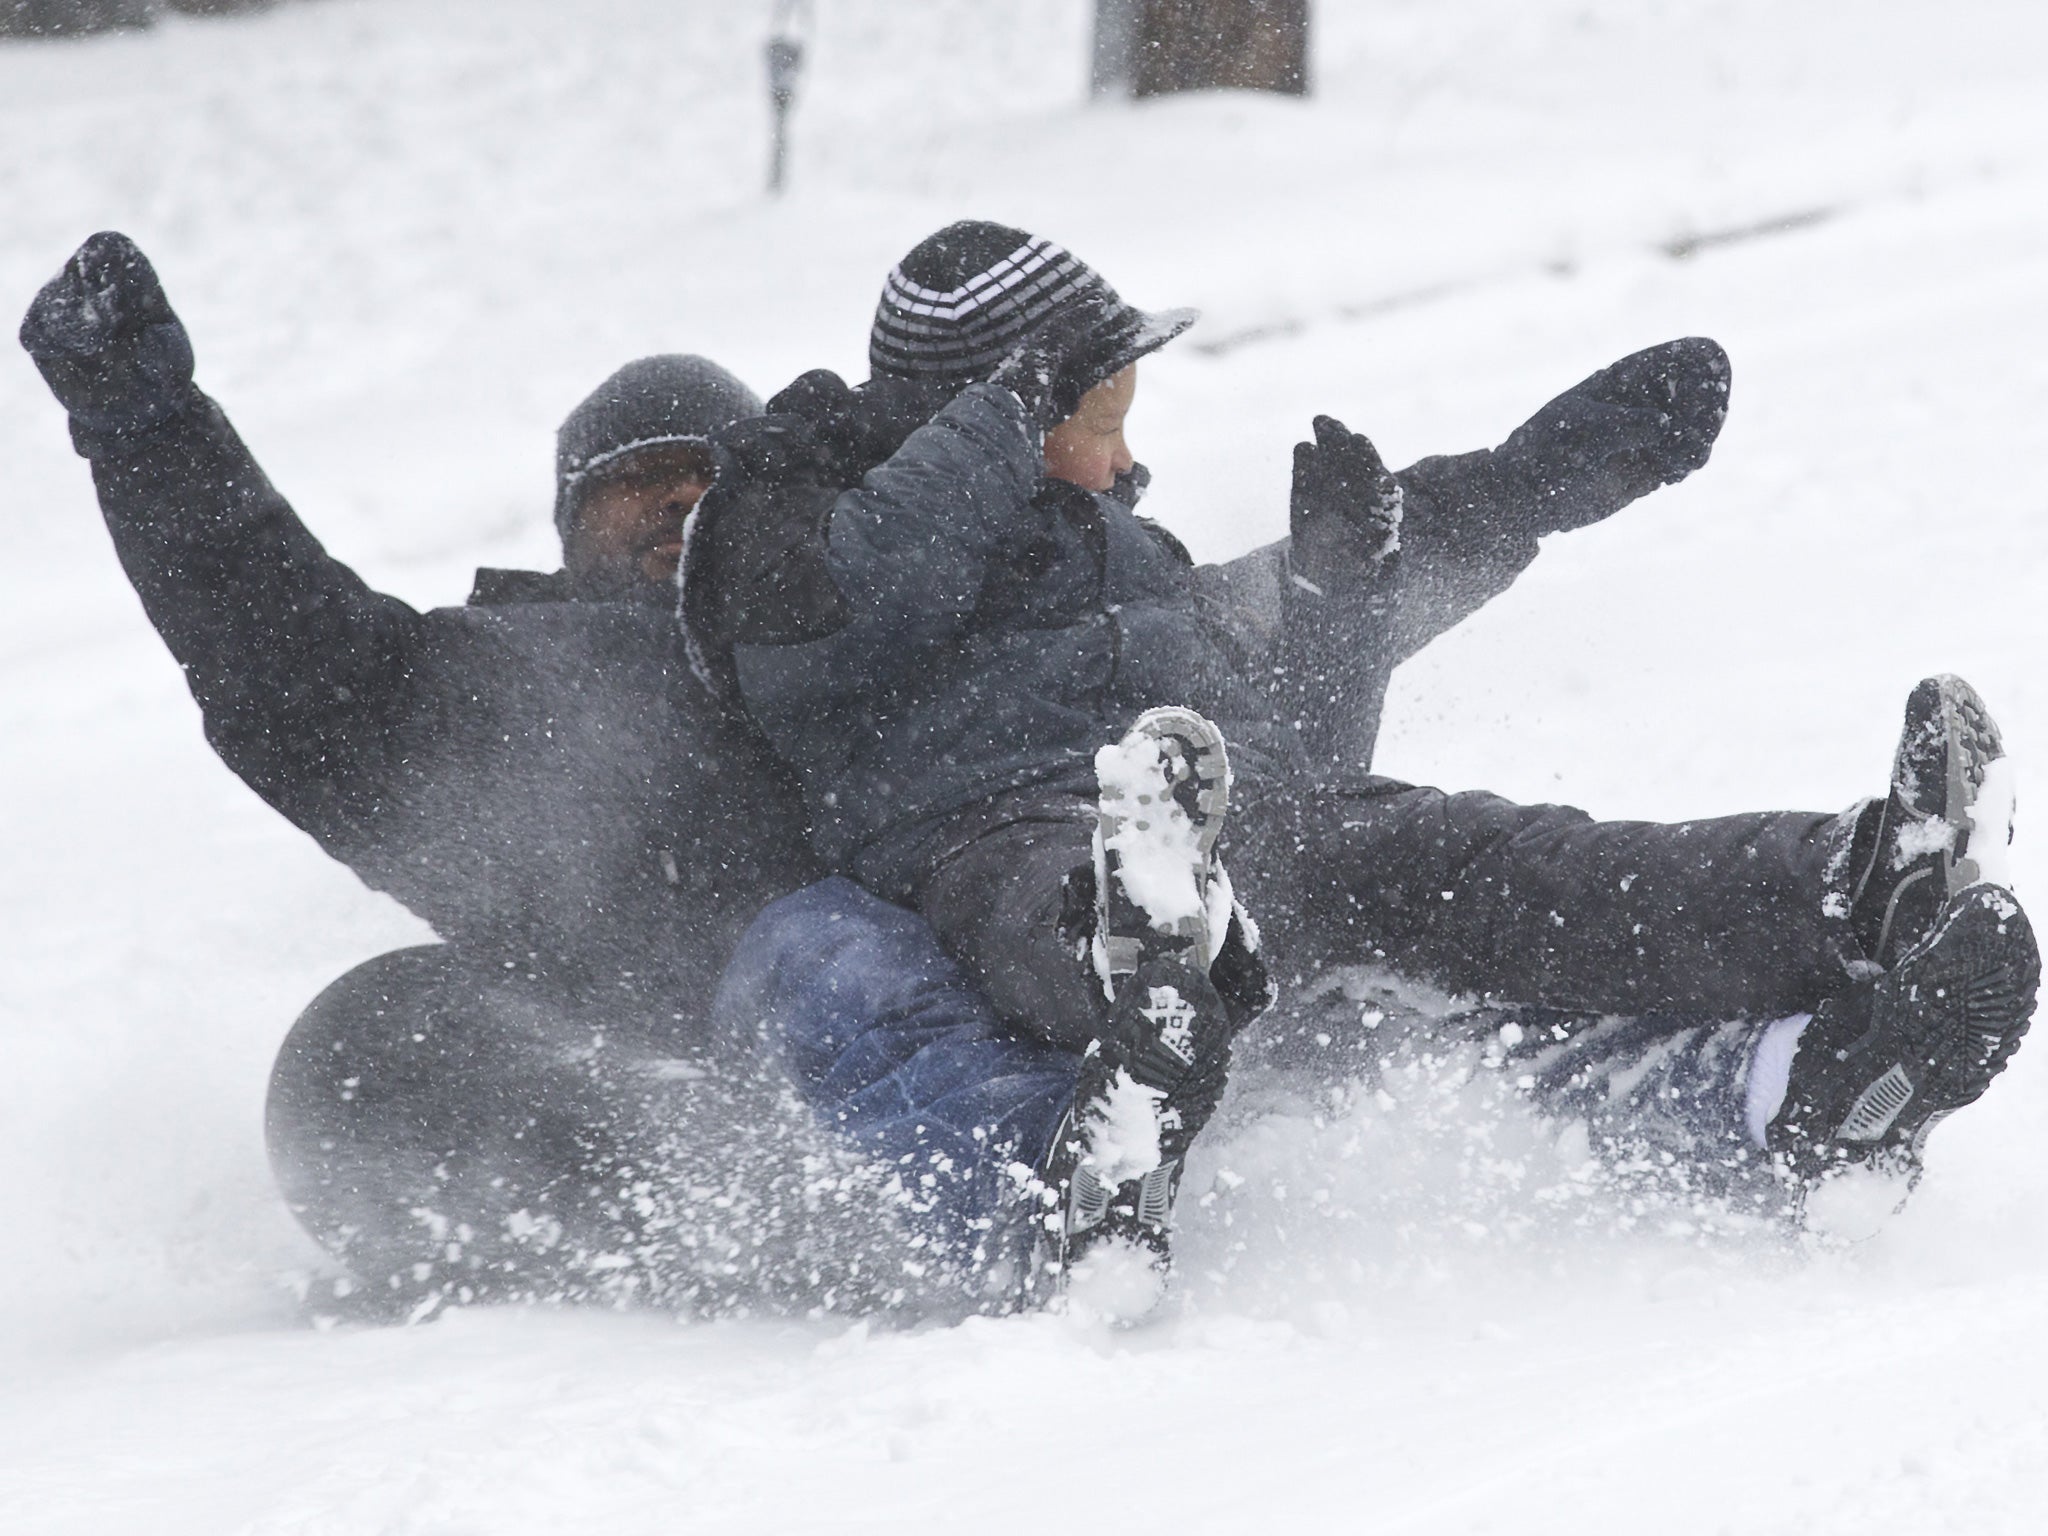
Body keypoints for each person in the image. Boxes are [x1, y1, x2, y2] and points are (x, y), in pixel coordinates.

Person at [9, 228, 1744, 1314]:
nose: (683, 512)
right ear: (569, 527)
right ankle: (928, 1206)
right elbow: (286, 661)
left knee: (1311, 953)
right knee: (381, 1038)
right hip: (723, 1051)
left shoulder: (878, 626)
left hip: (1031, 950)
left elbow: (1234, 629)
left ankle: (1706, 1096)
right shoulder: (507, 695)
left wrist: (1518, 489)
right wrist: (147, 426)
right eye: (640, 493)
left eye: (713, 483)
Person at [699, 221, 2039, 1302]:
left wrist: (1494, 505)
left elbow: (1285, 725)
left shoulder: (1126, 554)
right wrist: (1003, 421)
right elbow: (861, 601)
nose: (1128, 453)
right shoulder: (792, 545)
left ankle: (1852, 885)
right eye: (1097, 411)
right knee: (1076, 896)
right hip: (998, 841)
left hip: (1233, 827)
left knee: (1486, 858)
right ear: (995, 412)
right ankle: (1154, 969)